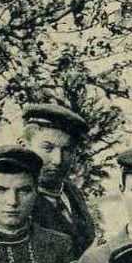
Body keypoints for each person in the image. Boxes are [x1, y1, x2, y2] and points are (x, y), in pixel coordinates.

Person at [22, 102, 101, 254]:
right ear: (24, 146)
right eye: (47, 148)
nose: (58, 160)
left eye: (67, 150)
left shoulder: (72, 192)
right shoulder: (17, 202)